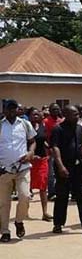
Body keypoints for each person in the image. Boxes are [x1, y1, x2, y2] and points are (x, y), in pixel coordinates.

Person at [50, 105, 82, 233]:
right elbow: (55, 148)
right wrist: (60, 166)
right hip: (64, 167)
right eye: (75, 114)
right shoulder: (58, 129)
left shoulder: (79, 128)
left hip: (78, 167)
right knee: (62, 196)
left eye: (78, 114)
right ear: (66, 115)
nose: (78, 116)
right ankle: (58, 224)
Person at [0, 100, 35, 242]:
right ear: (4, 110)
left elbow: (32, 141)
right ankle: (5, 231)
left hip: (22, 167)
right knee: (3, 202)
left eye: (14, 109)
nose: (12, 111)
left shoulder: (25, 124)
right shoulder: (0, 125)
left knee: (25, 196)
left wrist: (30, 153)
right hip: (3, 169)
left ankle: (19, 221)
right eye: (9, 109)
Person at [29, 107, 52, 221]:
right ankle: (24, 212)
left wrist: (50, 149)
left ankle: (45, 212)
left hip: (42, 160)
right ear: (29, 116)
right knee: (26, 187)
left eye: (37, 114)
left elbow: (44, 141)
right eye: (33, 114)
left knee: (43, 186)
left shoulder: (43, 127)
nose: (35, 116)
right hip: (28, 160)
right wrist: (31, 156)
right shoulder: (25, 127)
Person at [44, 103, 63, 201]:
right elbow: (44, 137)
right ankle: (51, 193)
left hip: (61, 150)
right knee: (51, 173)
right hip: (50, 151)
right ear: (50, 111)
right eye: (54, 109)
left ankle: (60, 191)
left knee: (60, 171)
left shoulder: (61, 121)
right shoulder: (46, 121)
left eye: (57, 109)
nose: (56, 111)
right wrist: (49, 147)